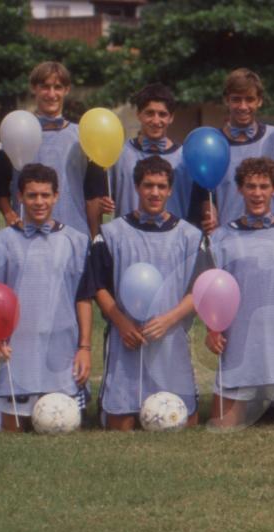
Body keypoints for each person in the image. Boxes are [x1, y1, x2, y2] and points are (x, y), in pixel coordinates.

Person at [83, 156, 209, 430]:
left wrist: (169, 319)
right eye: (148, 185)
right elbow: (98, 286)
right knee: (121, 423)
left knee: (185, 421)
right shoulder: (111, 233)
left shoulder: (189, 235)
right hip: (127, 339)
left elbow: (199, 290)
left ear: (170, 190)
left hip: (169, 339)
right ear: (137, 188)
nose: (155, 192)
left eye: (161, 186)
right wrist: (122, 322)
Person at [206, 157, 274, 428]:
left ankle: (273, 409)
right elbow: (210, 291)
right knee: (220, 430)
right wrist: (212, 329)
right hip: (238, 353)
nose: (257, 193)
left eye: (264, 186)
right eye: (251, 186)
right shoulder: (220, 238)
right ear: (240, 190)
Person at [0, 164, 92, 432]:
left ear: (57, 196)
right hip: (20, 347)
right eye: (32, 195)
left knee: (63, 425)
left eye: (45, 195)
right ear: (20, 197)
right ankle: (2, 406)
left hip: (62, 347)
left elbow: (83, 297)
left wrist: (85, 348)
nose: (39, 202)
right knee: (13, 429)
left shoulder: (76, 240)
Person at [1, 61, 107, 237]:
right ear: (34, 89)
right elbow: (0, 185)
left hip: (74, 233)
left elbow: (92, 195)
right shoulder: (15, 133)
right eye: (45, 87)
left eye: (57, 87)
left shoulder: (81, 136)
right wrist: (8, 213)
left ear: (66, 90)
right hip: (27, 234)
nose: (51, 94)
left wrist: (95, 237)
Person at [194, 68, 274, 232]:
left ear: (259, 101)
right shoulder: (211, 144)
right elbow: (207, 196)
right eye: (236, 99)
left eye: (249, 99)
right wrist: (210, 216)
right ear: (226, 100)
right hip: (228, 238)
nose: (243, 106)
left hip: (272, 236)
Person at [108, 84, 192, 220]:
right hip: (128, 237)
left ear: (171, 118)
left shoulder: (185, 157)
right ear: (138, 114)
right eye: (149, 113)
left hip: (172, 238)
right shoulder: (119, 154)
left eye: (162, 114)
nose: (156, 120)